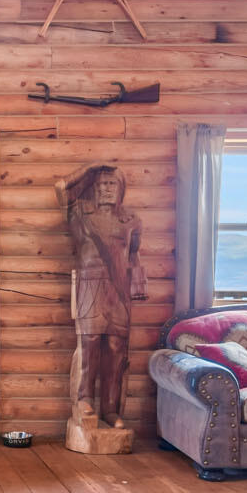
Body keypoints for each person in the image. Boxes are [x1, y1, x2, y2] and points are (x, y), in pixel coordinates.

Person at [61, 165, 147, 428]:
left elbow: (132, 255)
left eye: (111, 184)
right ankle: (84, 399)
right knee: (90, 342)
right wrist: (90, 170)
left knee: (116, 348)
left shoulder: (131, 220)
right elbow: (60, 188)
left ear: (120, 189)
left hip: (118, 288)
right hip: (90, 283)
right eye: (100, 184)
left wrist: (138, 283)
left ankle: (111, 409)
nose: (105, 189)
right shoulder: (80, 213)